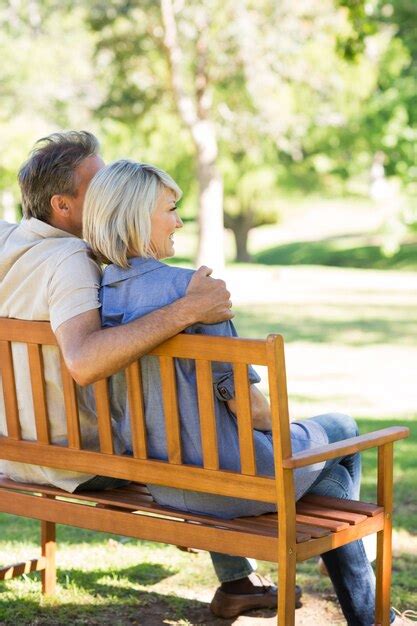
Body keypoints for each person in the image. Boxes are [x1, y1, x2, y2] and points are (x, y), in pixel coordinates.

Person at [83, 159, 397, 625]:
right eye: (170, 209)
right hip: (235, 489)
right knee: (342, 431)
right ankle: (371, 615)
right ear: (135, 215)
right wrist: (293, 431)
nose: (180, 221)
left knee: (310, 453)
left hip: (164, 484)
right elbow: (252, 411)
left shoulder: (98, 299)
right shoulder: (196, 292)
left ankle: (253, 585)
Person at [0, 131, 288, 618]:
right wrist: (186, 309)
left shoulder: (10, 237)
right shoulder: (72, 262)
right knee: (185, 435)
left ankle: (238, 580)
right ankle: (250, 576)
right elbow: (86, 360)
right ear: (63, 205)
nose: (115, 194)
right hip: (77, 461)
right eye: (101, 187)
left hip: (12, 447)